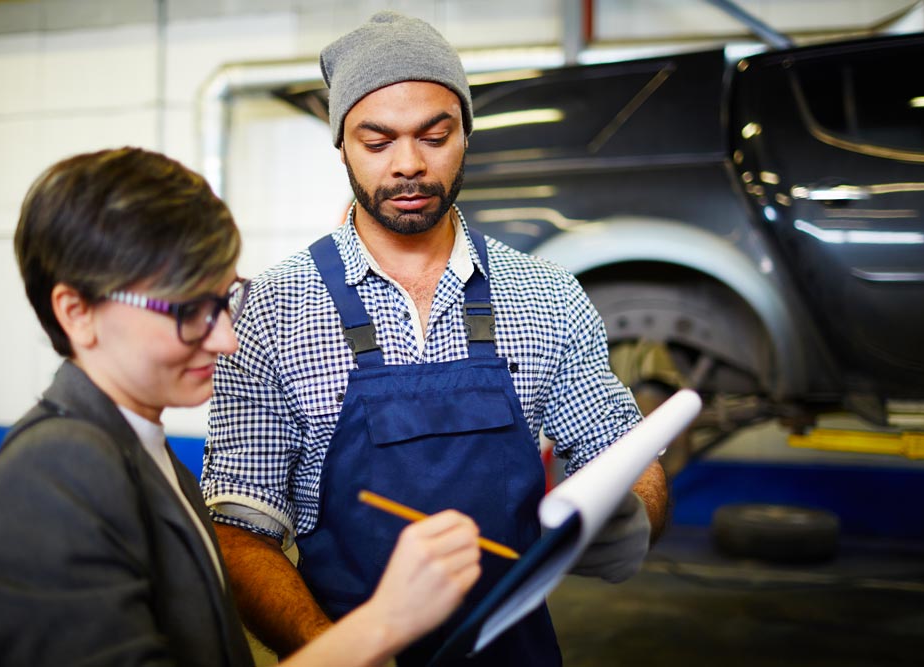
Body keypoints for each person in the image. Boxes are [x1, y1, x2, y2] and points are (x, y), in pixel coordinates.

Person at [201, 10, 668, 666]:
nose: (410, 164)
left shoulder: (548, 295)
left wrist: (629, 515)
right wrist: (337, 652)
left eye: (434, 134)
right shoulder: (274, 309)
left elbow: (625, 454)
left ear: (466, 134)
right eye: (378, 140)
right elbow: (239, 532)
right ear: (341, 144)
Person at [0, 147, 482, 666]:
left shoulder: (144, 456)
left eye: (226, 300)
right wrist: (384, 623)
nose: (227, 339)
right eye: (189, 311)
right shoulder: (51, 478)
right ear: (77, 311)